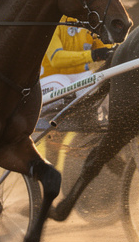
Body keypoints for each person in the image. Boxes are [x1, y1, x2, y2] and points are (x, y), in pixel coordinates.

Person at [37, 16, 113, 170]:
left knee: (103, 86)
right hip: (50, 79)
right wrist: (94, 55)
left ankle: (96, 136)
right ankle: (51, 152)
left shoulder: (90, 21)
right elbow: (56, 59)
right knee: (65, 88)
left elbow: (107, 47)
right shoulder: (55, 20)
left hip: (78, 77)